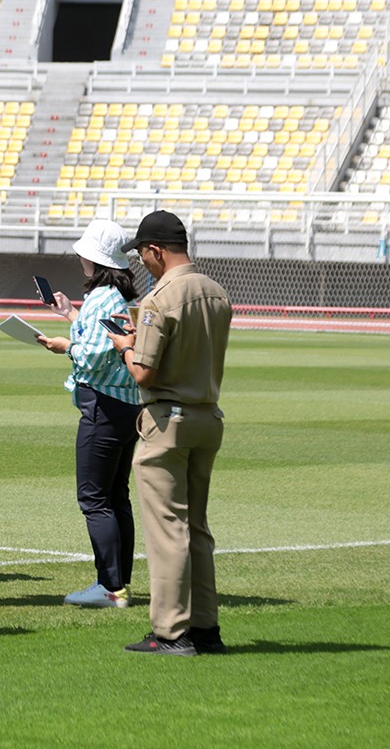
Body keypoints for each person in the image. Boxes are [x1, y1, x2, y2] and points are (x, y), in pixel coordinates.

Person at [108, 210, 232, 656]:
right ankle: (205, 628)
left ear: (155, 250)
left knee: (168, 530)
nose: (143, 263)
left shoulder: (160, 298)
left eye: (143, 255)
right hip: (207, 415)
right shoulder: (216, 292)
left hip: (167, 421)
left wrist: (125, 346)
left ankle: (172, 632)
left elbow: (143, 372)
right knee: (196, 526)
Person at [35, 220, 142, 610]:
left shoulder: (101, 296)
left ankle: (110, 587)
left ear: (92, 258)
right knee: (116, 496)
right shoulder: (114, 294)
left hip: (103, 405)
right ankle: (118, 583)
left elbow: (94, 354)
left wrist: (65, 346)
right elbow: (104, 339)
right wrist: (71, 317)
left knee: (94, 498)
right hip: (127, 405)